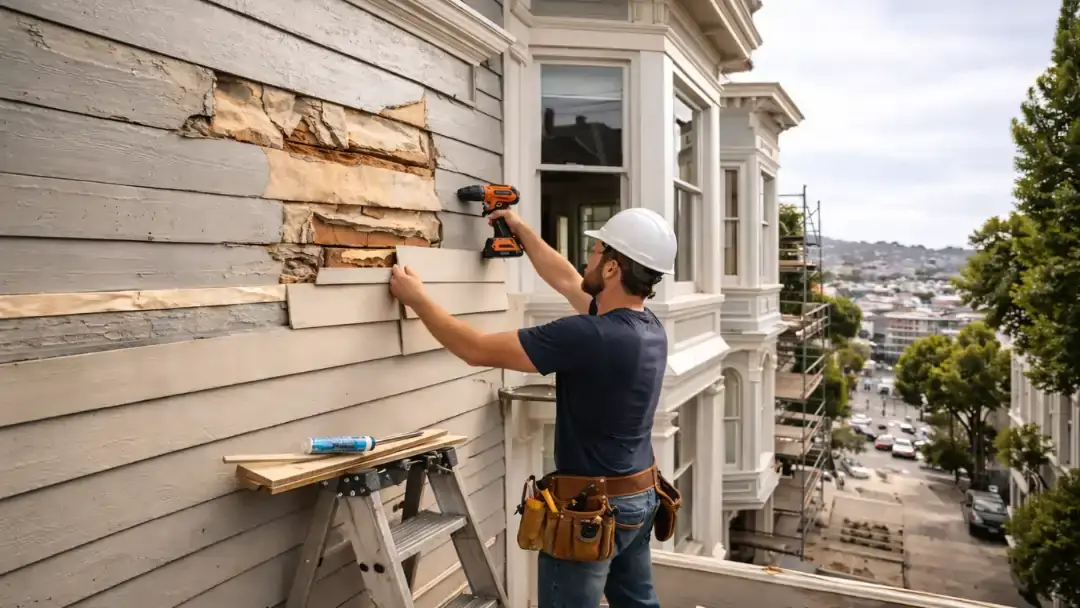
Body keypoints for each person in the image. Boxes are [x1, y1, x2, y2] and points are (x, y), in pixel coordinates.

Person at [389, 206, 677, 608]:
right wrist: (522, 231)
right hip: (640, 497)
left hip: (592, 509)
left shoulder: (588, 336)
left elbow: (475, 349)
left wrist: (416, 298)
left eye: (594, 252)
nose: (586, 259)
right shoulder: (648, 328)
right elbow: (566, 280)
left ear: (612, 268)